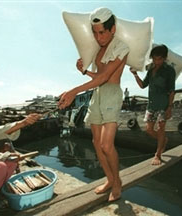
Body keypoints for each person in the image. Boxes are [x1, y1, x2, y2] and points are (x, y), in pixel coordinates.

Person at [58, 7, 129, 202]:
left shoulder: (121, 47)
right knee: (96, 143)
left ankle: (117, 183)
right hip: (97, 94)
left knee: (107, 145)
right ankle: (109, 179)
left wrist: (73, 91)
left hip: (112, 95)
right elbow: (99, 78)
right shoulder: (98, 51)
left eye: (102, 32)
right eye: (95, 33)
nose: (98, 37)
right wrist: (85, 72)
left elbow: (107, 77)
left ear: (112, 29)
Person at [130, 44, 176, 165]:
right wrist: (135, 74)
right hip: (151, 105)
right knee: (149, 130)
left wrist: (169, 107)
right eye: (154, 58)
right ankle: (163, 140)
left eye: (159, 59)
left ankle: (158, 155)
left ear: (164, 58)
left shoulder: (169, 70)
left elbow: (172, 90)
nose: (157, 61)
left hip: (163, 104)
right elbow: (142, 85)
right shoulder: (151, 70)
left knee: (161, 129)